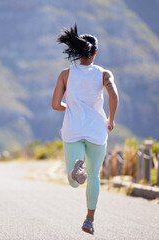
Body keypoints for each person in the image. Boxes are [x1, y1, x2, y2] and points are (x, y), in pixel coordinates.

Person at [51, 24, 119, 235]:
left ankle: (76, 168)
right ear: (95, 52)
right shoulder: (103, 74)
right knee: (94, 175)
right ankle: (89, 220)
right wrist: (111, 119)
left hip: (73, 129)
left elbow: (55, 104)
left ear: (77, 52)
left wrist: (70, 109)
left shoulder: (65, 74)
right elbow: (114, 96)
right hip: (97, 131)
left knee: (74, 182)